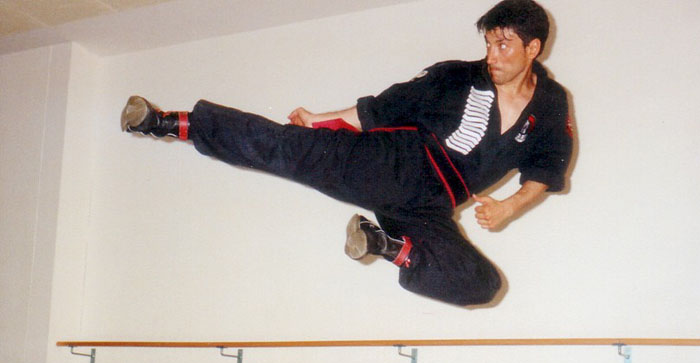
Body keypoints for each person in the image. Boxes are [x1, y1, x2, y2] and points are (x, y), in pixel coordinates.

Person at [121, 0, 572, 307]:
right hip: (393, 162)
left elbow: (548, 167)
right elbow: (382, 108)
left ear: (532, 48)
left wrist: (510, 206)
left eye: (503, 45)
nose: (492, 54)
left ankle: (385, 245)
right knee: (285, 148)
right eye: (489, 43)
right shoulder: (456, 76)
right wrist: (320, 120)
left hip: (431, 206)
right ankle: (164, 123)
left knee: (483, 284)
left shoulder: (550, 105)